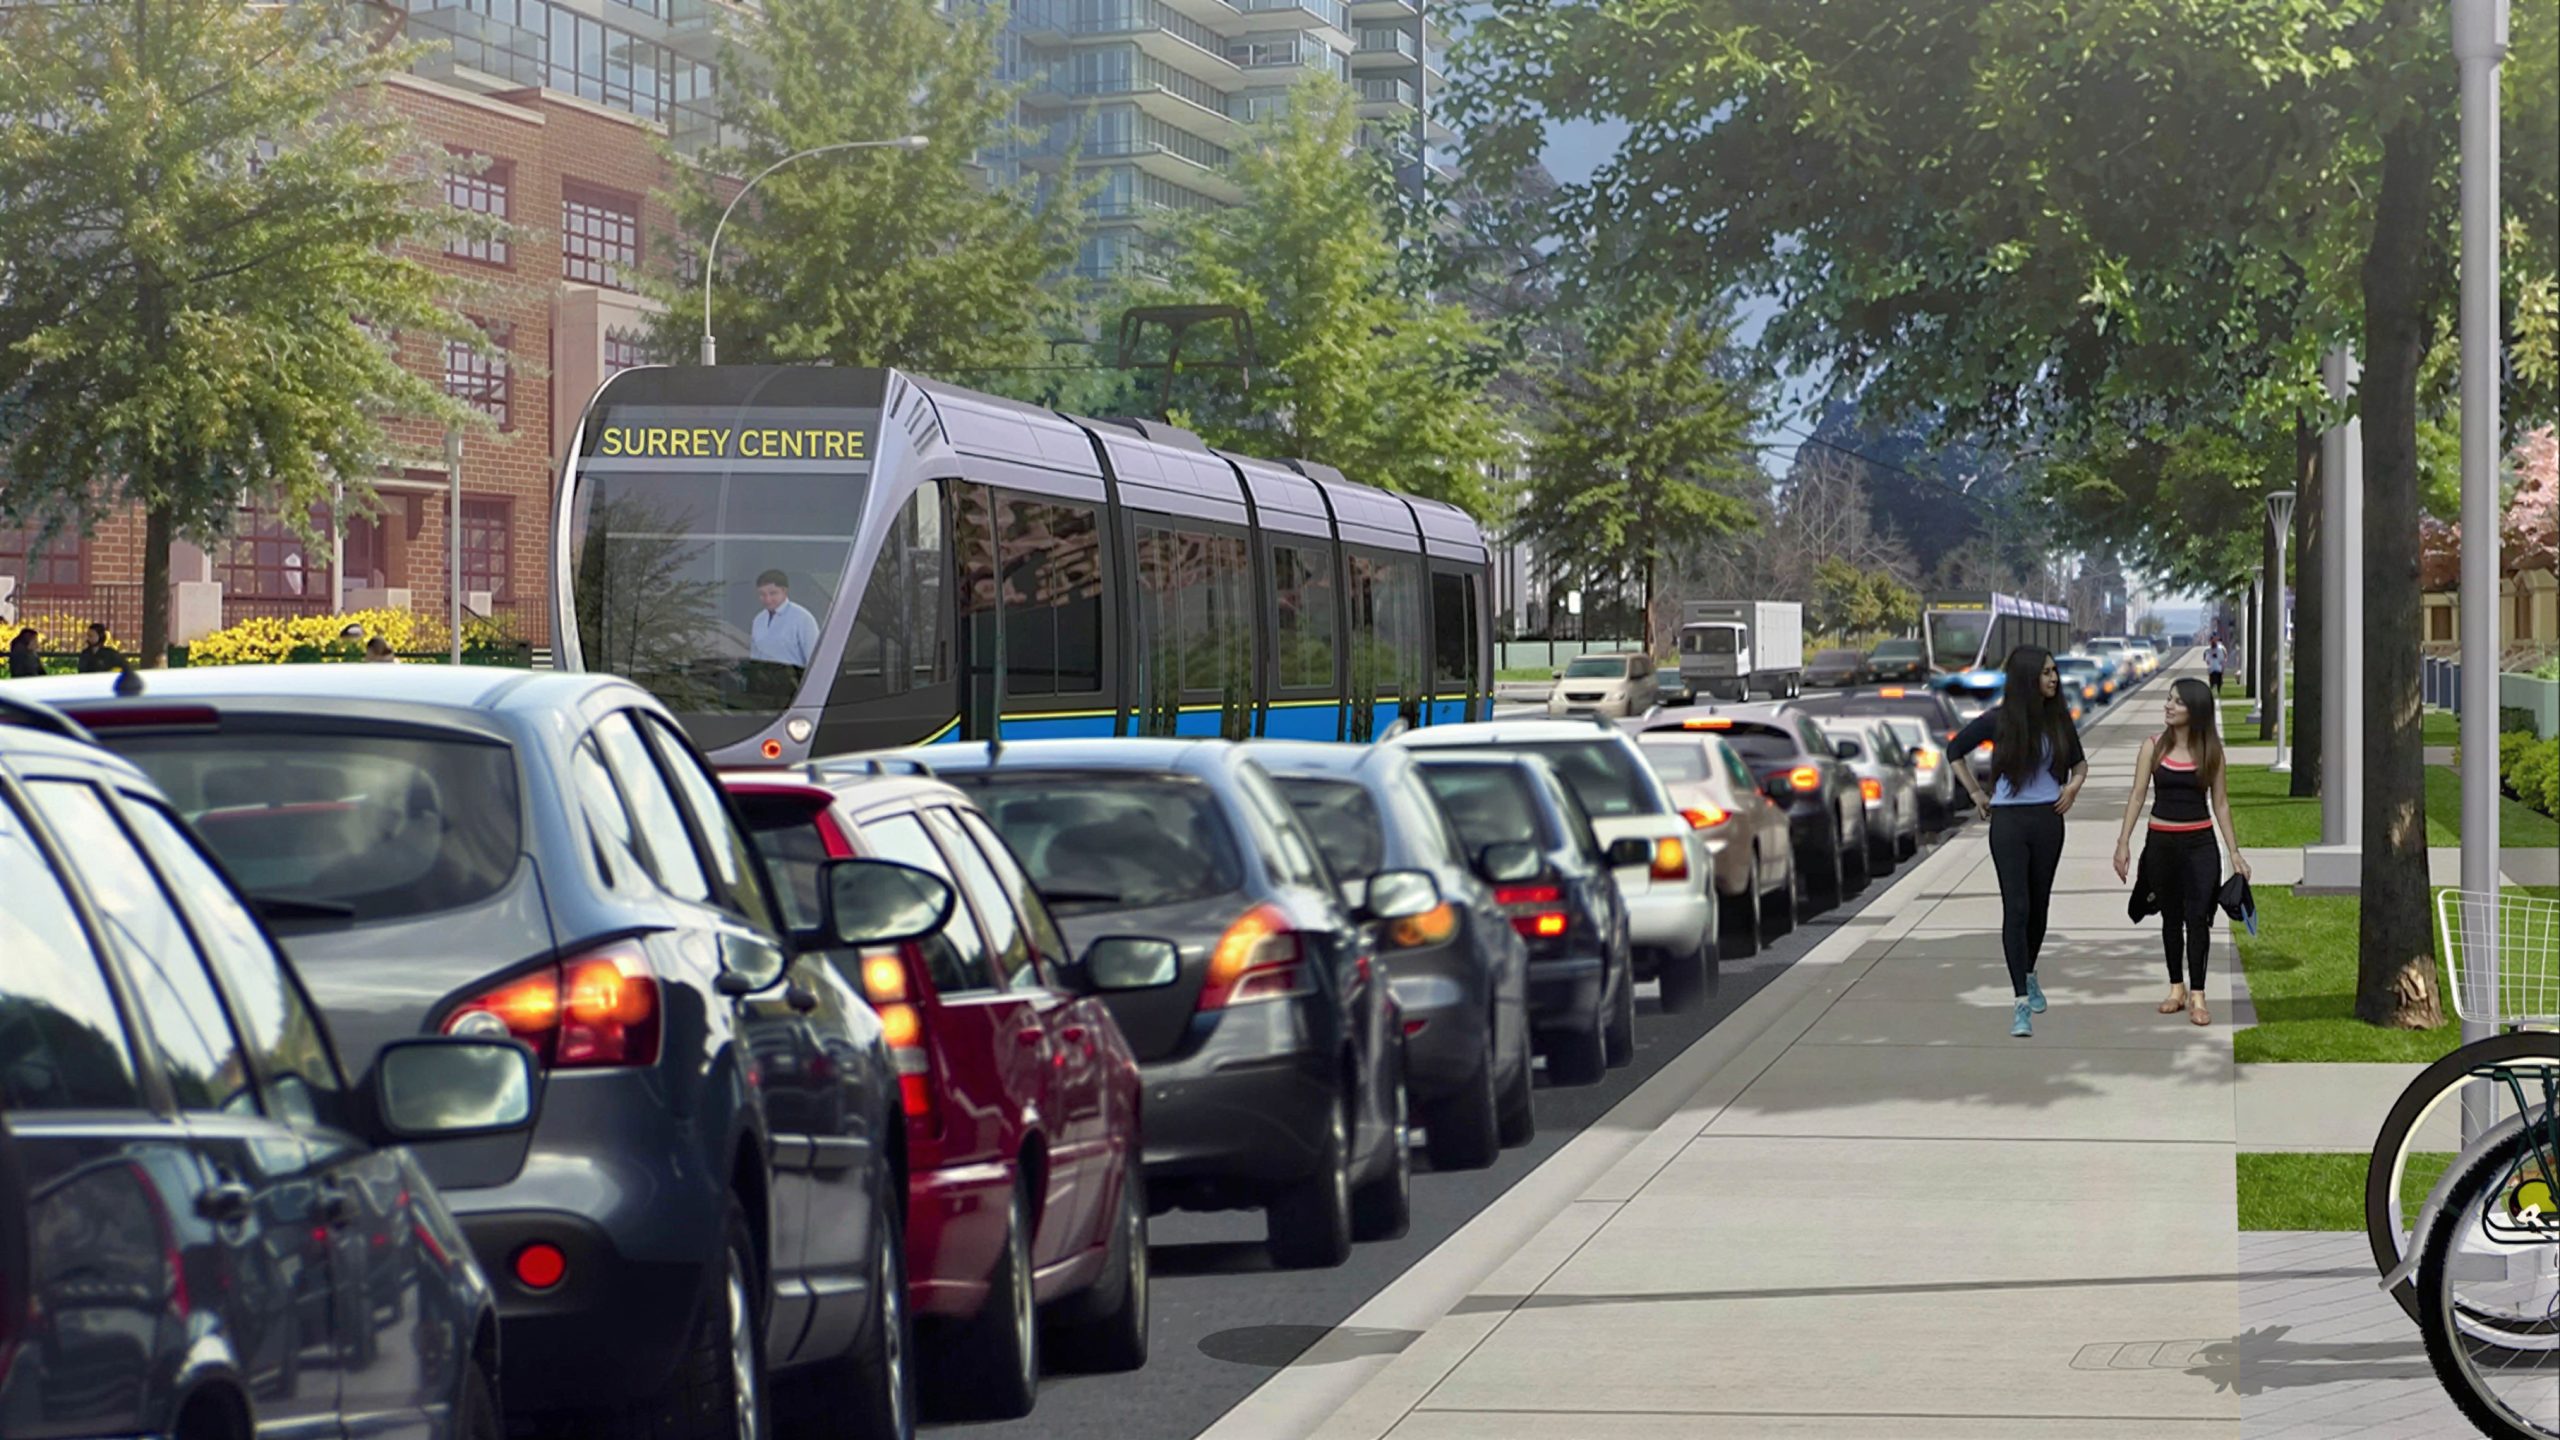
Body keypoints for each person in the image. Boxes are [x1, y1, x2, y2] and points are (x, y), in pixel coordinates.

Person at [1947, 646, 2088, 1038]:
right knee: (2017, 907)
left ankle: (2029, 973)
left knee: (2040, 904)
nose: (2054, 679)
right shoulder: (1998, 721)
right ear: (2028, 677)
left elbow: (2080, 763)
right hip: (2008, 822)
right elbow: (1954, 750)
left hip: (2049, 819)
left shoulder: (2058, 720)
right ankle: (2019, 1003)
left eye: (2054, 672)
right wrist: (1976, 793)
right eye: (2046, 673)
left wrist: (2073, 788)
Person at [2112, 677, 2249, 1026]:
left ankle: (2199, 994)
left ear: (2196, 710)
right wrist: (2123, 841)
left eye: (2177, 701)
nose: (2169, 706)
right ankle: (2177, 987)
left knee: (2198, 918)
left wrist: (2234, 852)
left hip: (2200, 846)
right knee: (2170, 918)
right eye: (2168, 699)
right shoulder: (2153, 747)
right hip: (2161, 844)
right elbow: (2138, 795)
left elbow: (2220, 803)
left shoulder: (2212, 752)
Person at [748, 568, 819, 668]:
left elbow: (814, 660)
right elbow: (755, 657)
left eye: (773, 593)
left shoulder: (803, 618)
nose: (767, 599)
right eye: (762, 594)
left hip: (794, 680)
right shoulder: (758, 620)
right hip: (763, 681)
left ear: (784, 591)